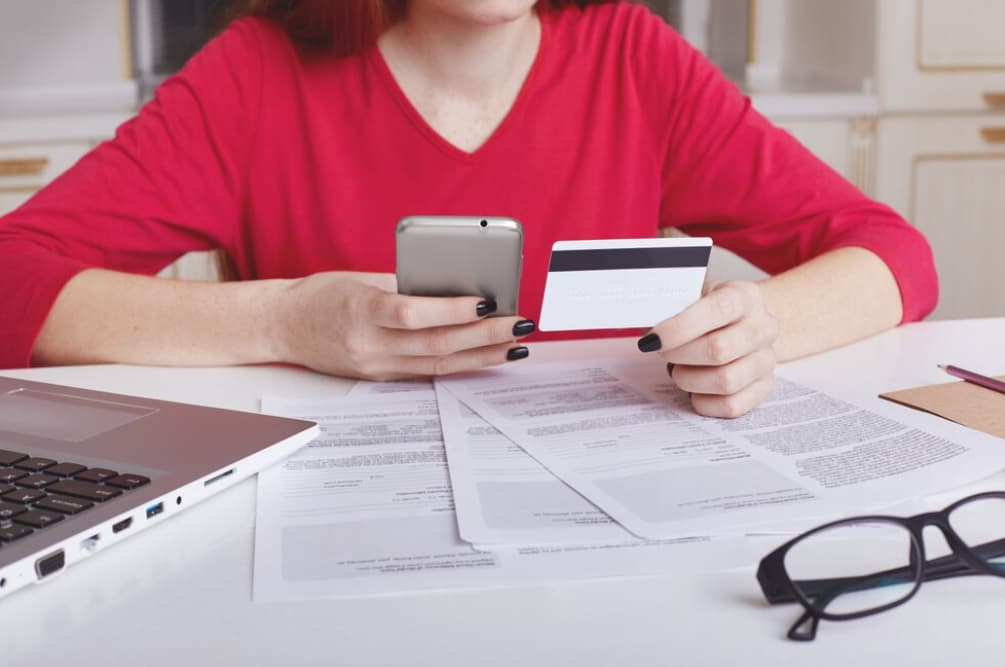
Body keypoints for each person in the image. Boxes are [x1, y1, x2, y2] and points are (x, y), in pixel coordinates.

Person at [0, 0, 937, 418]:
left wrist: (757, 326)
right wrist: (287, 318)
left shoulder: (631, 58)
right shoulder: (256, 74)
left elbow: (894, 255)